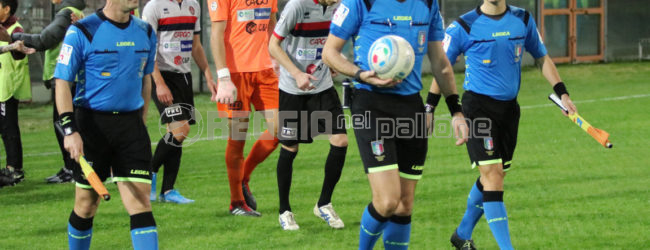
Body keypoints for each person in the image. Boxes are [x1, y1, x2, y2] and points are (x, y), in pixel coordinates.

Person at [323, 0, 469, 248]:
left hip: (410, 107)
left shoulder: (428, 4)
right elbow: (329, 52)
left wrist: (456, 110)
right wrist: (359, 74)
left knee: (404, 205)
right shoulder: (360, 2)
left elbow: (440, 62)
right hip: (371, 104)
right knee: (387, 201)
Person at [441, 1, 578, 249]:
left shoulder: (522, 19)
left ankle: (462, 234)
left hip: (509, 111)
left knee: (494, 176)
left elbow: (542, 57)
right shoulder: (463, 25)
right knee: (492, 176)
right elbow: (442, 67)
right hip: (477, 108)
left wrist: (563, 93)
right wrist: (441, 109)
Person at [53, 0, 159, 248]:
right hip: (92, 127)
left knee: (141, 202)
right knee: (86, 205)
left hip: (131, 127)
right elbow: (62, 83)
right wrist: (70, 131)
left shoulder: (145, 31)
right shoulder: (82, 31)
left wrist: (140, 122)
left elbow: (146, 80)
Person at [268, 0, 347, 230]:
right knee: (290, 148)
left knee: (340, 141)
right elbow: (273, 45)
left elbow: (333, 40)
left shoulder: (338, 7)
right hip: (293, 88)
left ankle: (323, 204)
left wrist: (332, 60)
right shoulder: (296, 6)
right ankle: (284, 211)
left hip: (322, 85)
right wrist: (296, 73)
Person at [208, 0, 281, 216]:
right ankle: (236, 203)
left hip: (266, 72)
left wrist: (276, 60)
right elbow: (216, 34)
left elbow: (271, 25)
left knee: (282, 130)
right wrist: (223, 77)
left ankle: (244, 176)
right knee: (237, 138)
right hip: (235, 74)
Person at [142, 0, 216, 204]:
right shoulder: (154, 7)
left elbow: (196, 45)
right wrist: (159, 83)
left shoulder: (193, 5)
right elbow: (148, 50)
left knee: (176, 133)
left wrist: (208, 75)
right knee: (180, 130)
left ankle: (168, 191)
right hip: (162, 76)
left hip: (183, 77)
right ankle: (148, 173)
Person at [11, 0, 85, 184]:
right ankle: (71, 168)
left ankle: (74, 169)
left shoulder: (66, 13)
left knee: (64, 124)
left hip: (66, 79)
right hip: (71, 77)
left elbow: (43, 40)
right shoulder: (73, 12)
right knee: (66, 124)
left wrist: (13, 36)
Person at [0, 0, 31, 186]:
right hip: (2, 86)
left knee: (9, 128)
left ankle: (14, 169)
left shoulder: (15, 29)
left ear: (6, 9)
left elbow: (19, 56)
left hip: (8, 87)